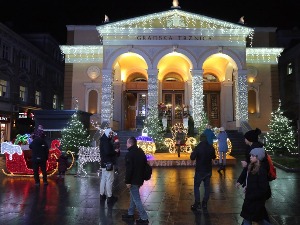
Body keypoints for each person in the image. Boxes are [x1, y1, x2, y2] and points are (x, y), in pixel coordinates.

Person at [240, 147, 271, 225]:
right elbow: (251, 182)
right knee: (254, 219)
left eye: (253, 156)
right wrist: (246, 187)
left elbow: (263, 188)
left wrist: (252, 195)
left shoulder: (261, 170)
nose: (250, 157)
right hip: (251, 200)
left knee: (254, 219)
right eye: (251, 155)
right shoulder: (252, 167)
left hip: (255, 201)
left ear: (258, 157)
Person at [122, 137, 149, 224]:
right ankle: (130, 213)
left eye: (127, 143)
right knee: (133, 197)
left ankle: (144, 217)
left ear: (130, 144)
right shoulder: (140, 152)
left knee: (136, 198)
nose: (126, 145)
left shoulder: (129, 154)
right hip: (140, 179)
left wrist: (127, 181)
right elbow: (145, 164)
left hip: (133, 180)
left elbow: (129, 170)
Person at [190, 133, 216, 211]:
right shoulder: (211, 147)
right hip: (208, 170)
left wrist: (193, 152)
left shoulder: (198, 147)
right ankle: (204, 203)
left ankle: (197, 203)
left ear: (200, 139)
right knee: (207, 187)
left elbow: (192, 157)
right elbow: (214, 157)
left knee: (196, 186)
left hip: (199, 170)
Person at [99, 128, 118, 203]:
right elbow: (108, 152)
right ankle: (110, 197)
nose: (110, 135)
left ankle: (102, 195)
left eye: (111, 133)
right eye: (109, 133)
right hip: (108, 163)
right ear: (106, 133)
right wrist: (114, 152)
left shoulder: (103, 140)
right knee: (109, 180)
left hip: (103, 163)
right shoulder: (106, 141)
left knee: (103, 179)